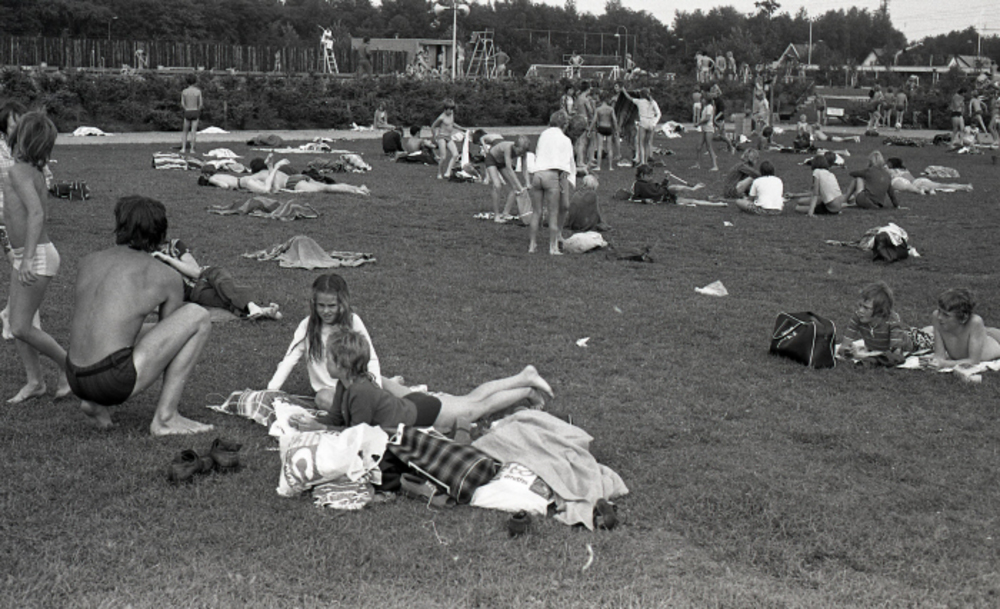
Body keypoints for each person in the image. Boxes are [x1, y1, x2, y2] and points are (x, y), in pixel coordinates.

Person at [66, 196, 214, 434]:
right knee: (197, 315)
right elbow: (170, 339)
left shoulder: (88, 261)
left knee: (118, 327)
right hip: (111, 380)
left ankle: (93, 403)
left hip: (74, 375)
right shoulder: (166, 275)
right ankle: (166, 418)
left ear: (120, 224)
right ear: (160, 232)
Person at [290, 328, 553, 434]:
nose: (325, 361)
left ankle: (526, 386)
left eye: (329, 358)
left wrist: (319, 428)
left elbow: (357, 434)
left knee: (479, 406)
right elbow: (335, 419)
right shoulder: (344, 385)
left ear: (343, 364)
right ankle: (524, 379)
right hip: (412, 405)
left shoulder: (360, 391)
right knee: (472, 400)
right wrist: (314, 423)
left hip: (426, 413)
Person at [3, 111, 72, 404]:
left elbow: (36, 214)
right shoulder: (30, 170)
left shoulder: (19, 172)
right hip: (27, 254)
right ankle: (35, 382)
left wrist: (28, 259)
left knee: (20, 326)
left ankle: (69, 367)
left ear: (22, 138)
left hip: (36, 256)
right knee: (18, 322)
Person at [268, 273, 382, 404]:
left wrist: (377, 390)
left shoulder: (353, 321)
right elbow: (290, 359)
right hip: (329, 390)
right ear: (314, 304)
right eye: (321, 305)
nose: (326, 311)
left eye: (331, 305)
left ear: (342, 303)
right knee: (322, 398)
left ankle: (397, 399)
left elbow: (371, 358)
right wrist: (271, 390)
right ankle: (360, 407)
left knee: (385, 385)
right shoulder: (307, 326)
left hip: (354, 383)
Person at [152, 237, 282, 320]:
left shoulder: (175, 245)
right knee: (223, 300)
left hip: (207, 275)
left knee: (223, 283)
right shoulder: (148, 260)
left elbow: (196, 272)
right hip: (195, 292)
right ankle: (261, 310)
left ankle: (253, 306)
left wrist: (167, 258)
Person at [528, 110, 574, 255]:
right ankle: (553, 247)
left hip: (537, 175)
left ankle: (532, 245)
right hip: (552, 175)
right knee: (553, 213)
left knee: (536, 212)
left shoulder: (543, 135)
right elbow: (565, 164)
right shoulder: (565, 140)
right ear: (565, 124)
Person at [208, 155, 370, 195]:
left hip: (292, 183)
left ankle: (357, 191)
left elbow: (273, 189)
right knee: (327, 186)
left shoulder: (256, 177)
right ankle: (357, 188)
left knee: (325, 189)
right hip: (297, 178)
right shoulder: (268, 172)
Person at [839, 282, 916, 357]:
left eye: (866, 308)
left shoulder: (892, 320)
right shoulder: (858, 316)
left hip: (912, 342)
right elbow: (843, 348)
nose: (860, 310)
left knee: (917, 335)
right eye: (860, 305)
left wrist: (862, 356)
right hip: (877, 349)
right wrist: (849, 350)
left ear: (880, 311)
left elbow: (895, 355)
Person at [930, 288, 1000, 368]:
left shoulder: (975, 322)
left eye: (946, 315)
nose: (940, 317)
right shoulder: (936, 316)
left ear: (963, 318)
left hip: (995, 339)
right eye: (939, 311)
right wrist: (937, 361)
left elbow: (974, 361)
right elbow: (939, 356)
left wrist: (945, 364)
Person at [484, 136, 529, 223]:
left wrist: (528, 182)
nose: (520, 154)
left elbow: (524, 168)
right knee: (497, 185)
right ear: (515, 147)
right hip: (492, 159)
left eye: (523, 152)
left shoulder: (523, 152)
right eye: (519, 152)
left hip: (502, 162)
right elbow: (509, 169)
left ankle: (505, 213)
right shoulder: (508, 148)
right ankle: (497, 216)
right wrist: (520, 187)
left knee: (514, 188)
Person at [884, 158, 973, 195]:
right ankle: (964, 186)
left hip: (915, 183)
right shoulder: (904, 170)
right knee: (941, 185)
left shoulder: (891, 171)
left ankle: (964, 187)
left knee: (940, 186)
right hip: (919, 180)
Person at [621, 88, 660, 166]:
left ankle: (642, 161)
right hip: (651, 122)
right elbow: (659, 113)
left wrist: (624, 91)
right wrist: (654, 122)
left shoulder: (639, 102)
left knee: (641, 143)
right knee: (647, 143)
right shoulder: (653, 102)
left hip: (643, 122)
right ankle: (647, 160)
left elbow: (629, 98)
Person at [629, 164, 705, 203]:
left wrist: (666, 178)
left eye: (651, 175)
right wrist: (644, 200)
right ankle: (713, 204)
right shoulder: (638, 185)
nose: (651, 177)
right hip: (664, 198)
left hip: (664, 193)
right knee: (691, 201)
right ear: (642, 175)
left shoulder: (648, 182)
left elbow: (659, 189)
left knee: (673, 187)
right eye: (649, 176)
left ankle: (692, 189)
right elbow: (634, 198)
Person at [431, 98, 464, 180]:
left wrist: (461, 128)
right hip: (441, 137)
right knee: (443, 157)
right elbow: (433, 126)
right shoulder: (441, 117)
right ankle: (439, 173)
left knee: (455, 154)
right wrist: (435, 136)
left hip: (448, 137)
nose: (451, 111)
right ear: (445, 109)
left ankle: (448, 172)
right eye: (450, 109)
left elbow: (452, 123)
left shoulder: (452, 114)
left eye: (452, 109)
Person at [589, 94, 619, 172]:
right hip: (609, 127)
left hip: (601, 127)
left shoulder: (598, 109)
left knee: (599, 147)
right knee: (609, 148)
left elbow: (594, 120)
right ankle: (610, 166)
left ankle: (598, 166)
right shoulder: (611, 109)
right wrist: (616, 130)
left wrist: (589, 129)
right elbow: (614, 120)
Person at [693, 90, 718, 171]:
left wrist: (698, 123)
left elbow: (707, 119)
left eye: (703, 99)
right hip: (704, 129)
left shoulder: (709, 107)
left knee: (709, 147)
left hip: (709, 129)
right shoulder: (705, 108)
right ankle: (697, 164)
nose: (701, 101)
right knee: (698, 146)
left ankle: (715, 165)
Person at [180, 74, 203, 154]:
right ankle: (192, 149)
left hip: (187, 110)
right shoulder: (198, 91)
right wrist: (198, 110)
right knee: (193, 131)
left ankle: (183, 148)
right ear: (195, 82)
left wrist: (186, 108)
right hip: (195, 110)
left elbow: (182, 103)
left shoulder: (184, 91)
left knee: (185, 131)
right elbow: (200, 104)